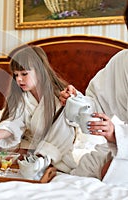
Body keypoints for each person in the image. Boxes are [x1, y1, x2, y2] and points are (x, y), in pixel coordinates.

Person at [58, 5, 128, 186]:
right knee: (84, 170)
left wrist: (116, 134)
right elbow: (97, 105)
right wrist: (76, 101)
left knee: (110, 172)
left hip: (123, 140)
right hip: (122, 143)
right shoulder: (122, 61)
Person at [0, 45, 77, 173]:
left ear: (40, 70)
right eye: (16, 75)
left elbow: (79, 120)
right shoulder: (22, 98)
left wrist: (75, 101)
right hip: (29, 152)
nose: (18, 79)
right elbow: (14, 123)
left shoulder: (62, 96)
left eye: (24, 74)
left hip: (56, 154)